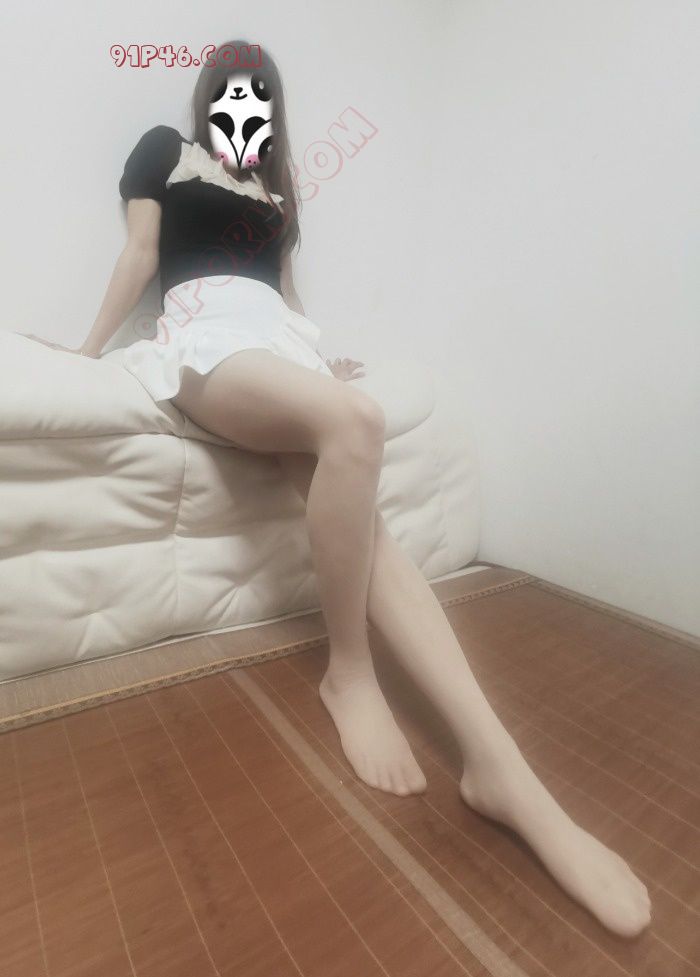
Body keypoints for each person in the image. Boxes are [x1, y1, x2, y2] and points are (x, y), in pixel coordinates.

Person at [21, 39, 651, 939]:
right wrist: (85, 354)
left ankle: (502, 769)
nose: (245, 106)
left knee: (357, 479)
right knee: (358, 423)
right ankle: (350, 673)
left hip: (277, 349)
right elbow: (140, 253)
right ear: (210, 93)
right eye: (233, 91)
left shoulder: (275, 189)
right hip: (203, 342)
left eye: (260, 96)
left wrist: (319, 357)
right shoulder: (165, 149)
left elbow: (285, 293)